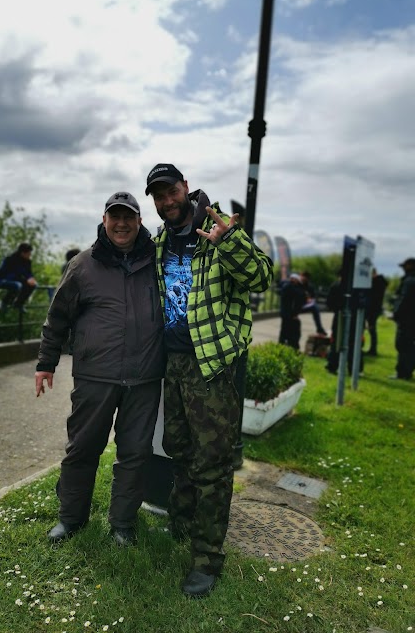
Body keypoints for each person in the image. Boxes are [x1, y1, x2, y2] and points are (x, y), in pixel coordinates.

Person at [145, 163, 273, 597]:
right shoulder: (161, 240)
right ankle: (180, 524)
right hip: (175, 364)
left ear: (186, 187)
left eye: (171, 192)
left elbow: (261, 276)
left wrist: (231, 243)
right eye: (158, 197)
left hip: (211, 366)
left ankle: (207, 557)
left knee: (213, 463)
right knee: (179, 449)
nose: (166, 202)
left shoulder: (217, 227)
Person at [35, 191, 164, 547]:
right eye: (115, 217)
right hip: (95, 376)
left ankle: (122, 524)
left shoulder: (159, 260)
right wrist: (45, 364)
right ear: (104, 220)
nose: (121, 224)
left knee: (135, 454)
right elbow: (57, 317)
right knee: (82, 450)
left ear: (139, 221)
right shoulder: (82, 265)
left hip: (145, 378)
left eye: (129, 217)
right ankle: (70, 519)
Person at [390, 257, 415, 379]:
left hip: (406, 319)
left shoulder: (409, 281)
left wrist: (396, 313)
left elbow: (403, 300)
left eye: (404, 266)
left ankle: (402, 372)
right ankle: (407, 371)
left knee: (402, 344)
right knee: (409, 346)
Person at [0, 242, 37, 311]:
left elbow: (29, 273)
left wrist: (31, 278)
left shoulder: (28, 261)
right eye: (28, 253)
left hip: (18, 279)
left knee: (34, 285)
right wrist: (26, 280)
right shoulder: (10, 259)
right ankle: (4, 302)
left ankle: (19, 303)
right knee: (17, 285)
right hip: (4, 279)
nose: (30, 255)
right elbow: (12, 274)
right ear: (22, 253)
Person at [278, 273, 307, 350]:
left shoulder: (286, 286)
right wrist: (295, 314)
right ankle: (292, 348)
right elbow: (301, 300)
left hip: (285, 314)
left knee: (284, 332)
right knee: (292, 333)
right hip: (291, 315)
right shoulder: (294, 289)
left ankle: (281, 347)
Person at [365, 267, 388, 356]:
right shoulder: (380, 283)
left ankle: (373, 350)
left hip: (373, 310)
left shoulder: (376, 283)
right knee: (372, 330)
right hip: (375, 309)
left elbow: (373, 298)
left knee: (372, 329)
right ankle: (372, 349)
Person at [300, 271, 327, 335]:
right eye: (302, 277)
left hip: (304, 305)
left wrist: (310, 299)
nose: (303, 279)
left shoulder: (310, 286)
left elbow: (313, 297)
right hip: (295, 304)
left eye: (305, 278)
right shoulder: (297, 284)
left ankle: (319, 328)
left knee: (315, 308)